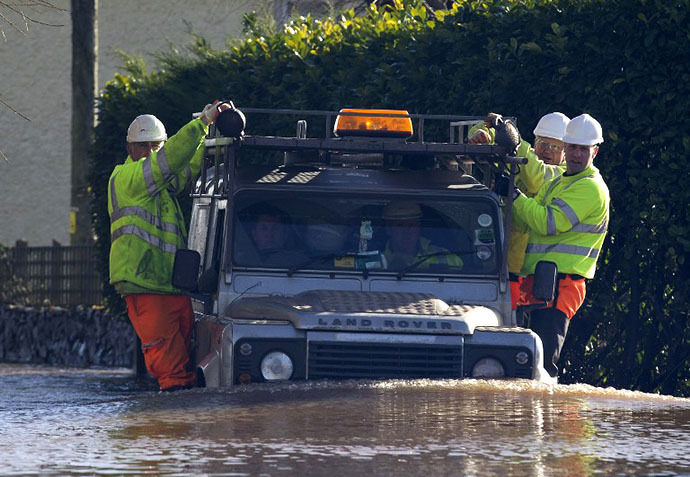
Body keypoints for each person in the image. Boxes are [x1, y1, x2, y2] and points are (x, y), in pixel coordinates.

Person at [108, 101, 229, 392]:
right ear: (130, 149)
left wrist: (206, 140)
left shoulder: (159, 186)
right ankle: (169, 431)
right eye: (143, 145)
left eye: (155, 146)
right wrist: (201, 124)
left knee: (182, 366)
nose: (150, 152)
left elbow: (183, 169)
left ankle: (176, 431)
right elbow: (170, 160)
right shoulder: (128, 178)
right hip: (145, 286)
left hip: (169, 287)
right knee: (171, 372)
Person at [511, 114, 610, 377]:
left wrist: (512, 196)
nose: (577, 154)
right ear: (565, 148)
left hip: (561, 285)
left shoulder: (590, 188)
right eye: (573, 147)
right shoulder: (559, 181)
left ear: (595, 151)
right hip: (540, 282)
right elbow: (532, 220)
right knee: (525, 363)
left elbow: (545, 222)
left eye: (583, 149)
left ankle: (549, 417)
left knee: (542, 367)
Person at [469, 112, 570, 307]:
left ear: (566, 151)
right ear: (535, 142)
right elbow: (488, 137)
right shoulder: (524, 160)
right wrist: (483, 132)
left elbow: (535, 179)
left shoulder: (561, 175)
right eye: (543, 143)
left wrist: (514, 141)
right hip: (508, 270)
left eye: (555, 146)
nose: (547, 151)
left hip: (539, 274)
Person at [382, 201, 463, 270]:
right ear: (388, 229)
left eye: (411, 225)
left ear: (419, 228)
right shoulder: (374, 258)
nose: (406, 231)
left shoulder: (445, 257)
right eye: (400, 225)